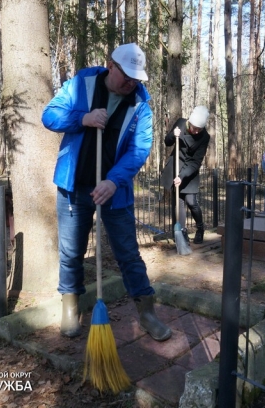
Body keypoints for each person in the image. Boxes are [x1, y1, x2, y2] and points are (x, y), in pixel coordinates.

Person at [42, 43, 171, 342]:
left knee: (128, 254)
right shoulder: (81, 85)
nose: (131, 83)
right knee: (71, 253)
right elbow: (49, 116)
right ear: (111, 65)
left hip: (114, 191)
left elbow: (139, 151)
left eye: (136, 79)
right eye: (126, 75)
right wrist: (82, 119)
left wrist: (113, 181)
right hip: (74, 187)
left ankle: (147, 313)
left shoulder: (140, 106)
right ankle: (71, 307)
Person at [161, 106, 210, 244]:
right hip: (175, 167)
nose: (195, 131)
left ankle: (200, 229)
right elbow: (167, 142)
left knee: (191, 201)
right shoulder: (181, 123)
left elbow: (196, 162)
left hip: (189, 172)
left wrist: (182, 176)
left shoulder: (204, 137)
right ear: (189, 122)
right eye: (194, 127)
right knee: (179, 201)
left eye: (199, 129)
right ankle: (181, 233)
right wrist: (172, 134)